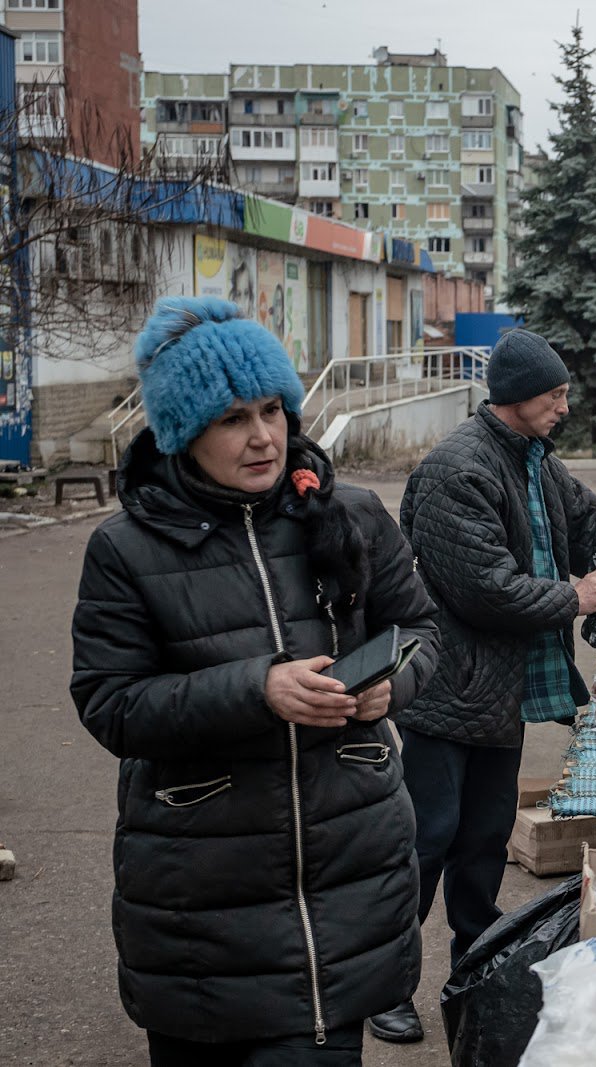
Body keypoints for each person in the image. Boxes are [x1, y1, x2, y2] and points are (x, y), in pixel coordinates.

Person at [70, 297, 440, 1065]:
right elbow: (110, 703)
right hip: (202, 900)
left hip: (346, 877)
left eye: (273, 408)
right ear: (182, 432)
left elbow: (423, 634)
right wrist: (257, 690)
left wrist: (388, 688)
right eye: (233, 417)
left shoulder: (354, 515)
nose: (265, 435)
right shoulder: (127, 548)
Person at [370, 329, 596, 1043]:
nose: (565, 407)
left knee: (481, 842)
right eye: (555, 394)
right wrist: (573, 596)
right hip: (446, 688)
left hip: (498, 694)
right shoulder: (457, 470)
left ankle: (475, 968)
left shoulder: (535, 462)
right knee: (424, 843)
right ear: (515, 398)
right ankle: (382, 984)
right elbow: (482, 587)